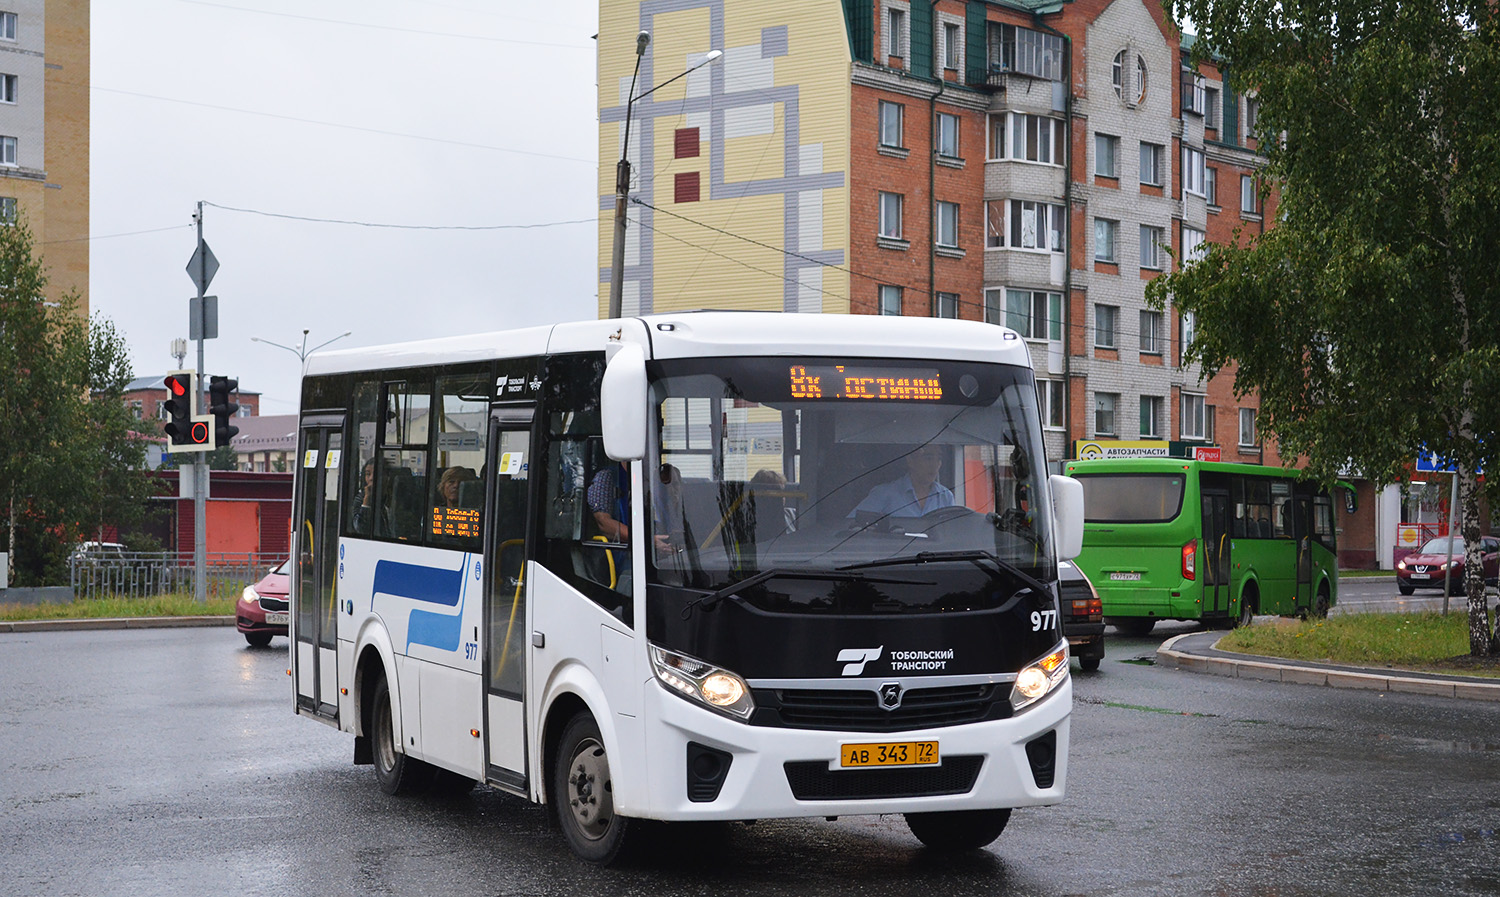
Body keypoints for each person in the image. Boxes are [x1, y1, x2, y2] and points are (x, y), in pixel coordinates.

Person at [850, 444, 954, 519]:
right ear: (910, 460)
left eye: (939, 459)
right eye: (928, 458)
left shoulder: (946, 496)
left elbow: (952, 532)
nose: (935, 465)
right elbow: (850, 525)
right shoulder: (884, 493)